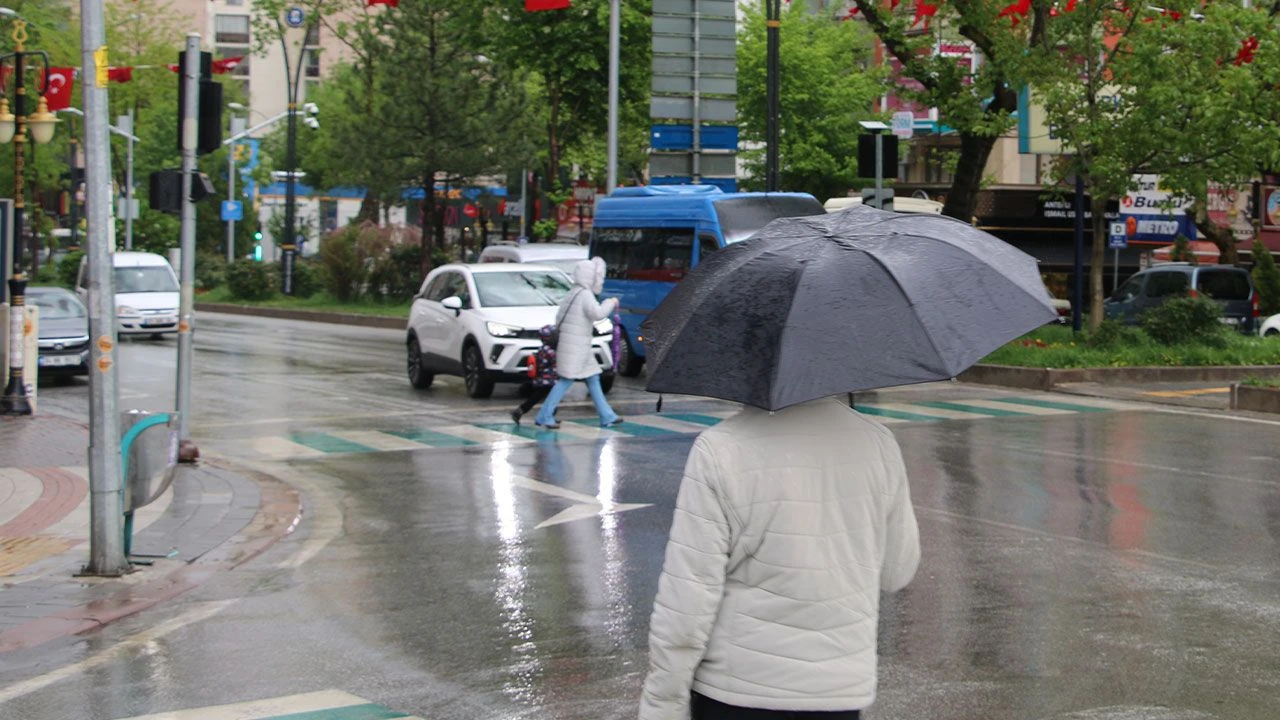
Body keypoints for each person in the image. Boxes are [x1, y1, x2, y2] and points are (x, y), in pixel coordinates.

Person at [638, 397, 920, 720]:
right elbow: (897, 572)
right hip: (837, 695)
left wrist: (663, 702)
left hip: (737, 692)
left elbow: (687, 602)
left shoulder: (719, 450)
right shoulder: (879, 444)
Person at [534, 259, 623, 429]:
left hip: (574, 345)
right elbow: (597, 313)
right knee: (566, 381)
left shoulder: (572, 292)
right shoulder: (585, 295)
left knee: (593, 377)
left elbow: (559, 318)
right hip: (577, 347)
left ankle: (607, 415)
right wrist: (610, 302)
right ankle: (545, 415)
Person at [511, 325, 556, 426]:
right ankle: (520, 411)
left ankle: (550, 416)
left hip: (546, 379)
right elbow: (555, 360)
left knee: (548, 398)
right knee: (543, 398)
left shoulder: (544, 348)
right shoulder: (548, 350)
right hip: (547, 379)